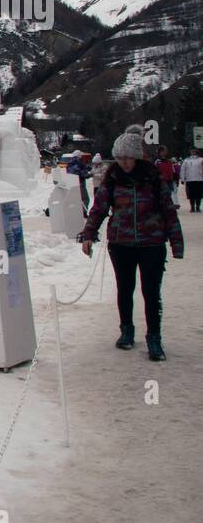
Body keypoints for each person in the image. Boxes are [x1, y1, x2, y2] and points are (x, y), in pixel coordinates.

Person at [79, 125, 184, 362]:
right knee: (125, 289)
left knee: (151, 292)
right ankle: (126, 330)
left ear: (137, 156)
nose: (124, 162)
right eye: (120, 158)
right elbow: (99, 209)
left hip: (151, 243)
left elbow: (169, 211)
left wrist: (176, 243)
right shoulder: (113, 179)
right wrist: (88, 234)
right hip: (121, 243)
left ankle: (154, 338)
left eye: (128, 157)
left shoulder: (153, 178)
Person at [66, 150, 92, 215]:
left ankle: (74, 211)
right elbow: (83, 174)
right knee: (85, 198)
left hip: (72, 184)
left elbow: (69, 172)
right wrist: (90, 174)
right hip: (80, 184)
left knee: (74, 199)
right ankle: (84, 211)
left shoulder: (69, 163)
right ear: (79, 156)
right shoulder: (80, 163)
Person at [182, 148, 203, 213]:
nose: (193, 152)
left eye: (194, 151)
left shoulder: (201, 159)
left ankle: (198, 207)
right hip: (190, 179)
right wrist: (182, 178)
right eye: (192, 151)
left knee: (199, 194)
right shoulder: (186, 160)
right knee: (191, 195)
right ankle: (192, 207)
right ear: (190, 152)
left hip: (199, 179)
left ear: (197, 151)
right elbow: (183, 169)